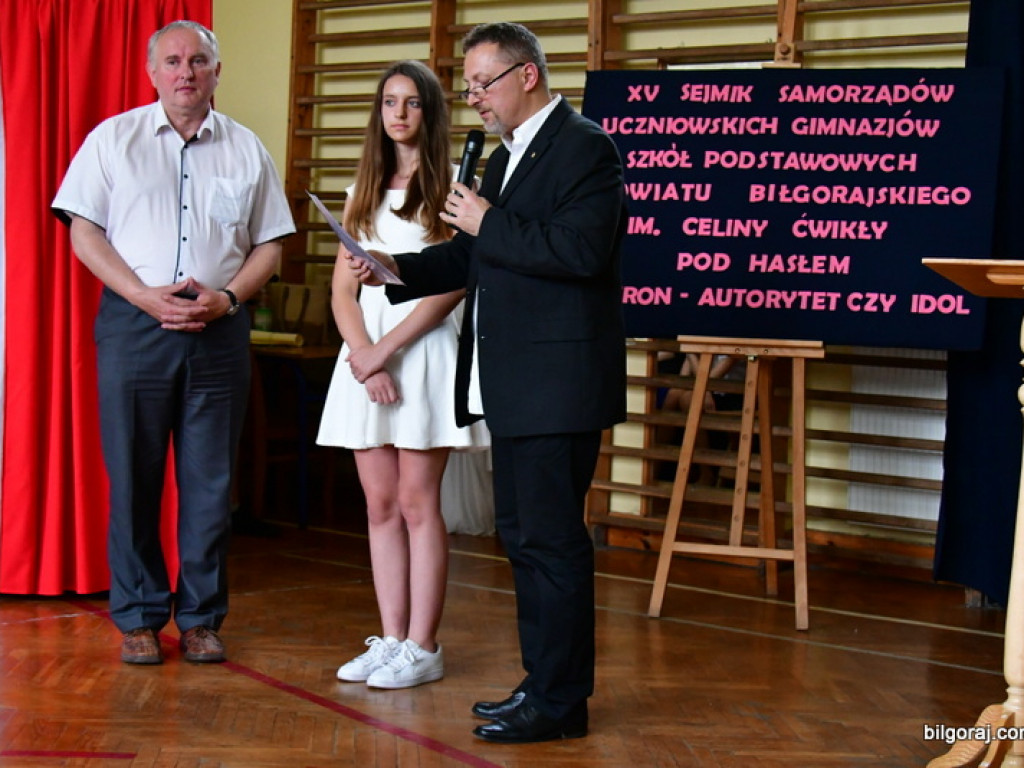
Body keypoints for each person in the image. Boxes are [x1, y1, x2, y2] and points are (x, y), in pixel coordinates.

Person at [347, 22, 627, 743]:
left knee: (553, 544)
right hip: (515, 383)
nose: (472, 98)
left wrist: (485, 219)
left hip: (559, 383)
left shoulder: (586, 147)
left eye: (482, 83)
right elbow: (474, 260)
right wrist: (396, 269)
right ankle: (541, 686)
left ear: (527, 74)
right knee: (525, 541)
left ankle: (561, 703)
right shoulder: (511, 158)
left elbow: (581, 253)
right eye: (468, 86)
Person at [51, 21, 295, 665]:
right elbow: (84, 231)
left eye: (198, 61)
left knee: (212, 484)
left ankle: (201, 619)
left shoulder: (247, 149)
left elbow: (270, 242)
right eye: (172, 61)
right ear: (151, 72)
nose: (185, 72)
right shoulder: (114, 140)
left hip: (219, 330)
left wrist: (230, 298)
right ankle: (136, 618)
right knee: (132, 478)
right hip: (136, 326)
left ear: (218, 71)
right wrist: (141, 294)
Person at [316, 60, 490, 689]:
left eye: (412, 102)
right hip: (367, 364)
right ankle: (390, 640)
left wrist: (385, 351)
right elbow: (341, 293)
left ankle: (424, 645)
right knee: (381, 505)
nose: (399, 113)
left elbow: (450, 285)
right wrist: (365, 359)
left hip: (420, 355)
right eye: (389, 101)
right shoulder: (361, 189)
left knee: (420, 505)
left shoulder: (451, 188)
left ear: (430, 112)